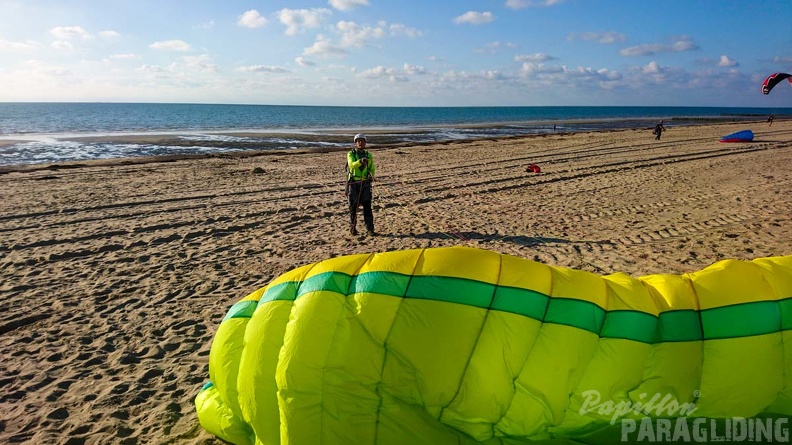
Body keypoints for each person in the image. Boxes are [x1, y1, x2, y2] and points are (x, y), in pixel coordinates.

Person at [346, 133, 376, 236]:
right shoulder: (351, 154)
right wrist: (360, 161)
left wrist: (372, 175)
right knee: (353, 208)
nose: (360, 142)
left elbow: (372, 168)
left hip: (365, 184)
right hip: (354, 184)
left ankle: (370, 230)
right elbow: (351, 165)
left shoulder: (369, 155)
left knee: (367, 207)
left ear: (365, 143)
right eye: (358, 141)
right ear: (355, 143)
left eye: (362, 141)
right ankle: (353, 229)